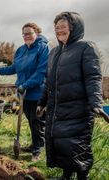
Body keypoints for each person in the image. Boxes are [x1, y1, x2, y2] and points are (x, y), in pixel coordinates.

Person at [37, 12, 103, 180]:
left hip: (78, 110)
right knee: (61, 145)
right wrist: (42, 101)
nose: (59, 31)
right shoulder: (54, 53)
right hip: (58, 109)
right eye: (57, 28)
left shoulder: (86, 47)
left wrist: (96, 102)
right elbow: (48, 81)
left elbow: (93, 77)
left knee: (78, 147)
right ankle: (66, 176)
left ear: (74, 28)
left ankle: (82, 177)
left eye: (63, 27)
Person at [0, 23, 49, 161]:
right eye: (24, 34)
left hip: (37, 94)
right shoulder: (21, 50)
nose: (26, 36)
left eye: (29, 33)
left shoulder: (43, 48)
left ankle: (38, 151)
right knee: (31, 121)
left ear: (37, 32)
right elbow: (14, 68)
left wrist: (25, 85)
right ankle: (35, 144)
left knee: (38, 123)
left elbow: (41, 72)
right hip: (24, 94)